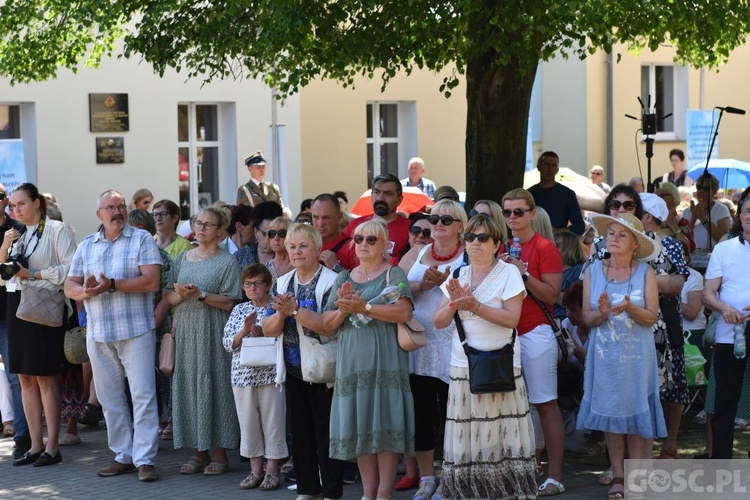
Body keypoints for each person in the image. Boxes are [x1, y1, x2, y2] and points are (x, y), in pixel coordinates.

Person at [433, 215, 536, 499]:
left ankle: (503, 493)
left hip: (499, 363)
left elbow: (512, 319)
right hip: (463, 365)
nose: (474, 243)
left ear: (496, 244)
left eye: (482, 238)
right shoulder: (457, 275)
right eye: (469, 237)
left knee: (499, 435)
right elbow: (439, 321)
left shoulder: (508, 273)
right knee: (467, 437)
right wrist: (455, 303)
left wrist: (476, 306)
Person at [64, 189, 162, 482]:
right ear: (99, 215)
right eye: (110, 207)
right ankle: (123, 455)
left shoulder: (142, 239)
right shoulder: (87, 245)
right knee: (109, 398)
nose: (117, 211)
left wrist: (112, 285)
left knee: (143, 395)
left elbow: (152, 281)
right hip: (99, 332)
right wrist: (86, 291)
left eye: (120, 206)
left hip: (135, 330)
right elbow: (70, 284)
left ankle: (145, 459)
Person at [323, 219, 415, 500]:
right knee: (361, 426)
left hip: (385, 358)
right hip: (353, 361)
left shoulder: (394, 272)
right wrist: (344, 310)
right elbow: (328, 322)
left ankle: (384, 493)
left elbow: (404, 312)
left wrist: (366, 307)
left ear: (384, 245)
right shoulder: (345, 276)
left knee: (384, 426)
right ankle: (368, 493)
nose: (363, 244)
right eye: (359, 239)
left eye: (371, 240)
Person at [578, 213, 665, 500]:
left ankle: (637, 477)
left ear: (634, 244)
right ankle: (618, 475)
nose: (613, 238)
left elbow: (651, 317)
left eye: (621, 235)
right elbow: (587, 318)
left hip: (638, 359)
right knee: (612, 415)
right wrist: (601, 313)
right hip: (604, 358)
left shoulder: (646, 273)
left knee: (637, 413)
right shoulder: (592, 271)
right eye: (611, 233)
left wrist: (629, 308)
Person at [261, 223, 344, 500]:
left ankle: (332, 492)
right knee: (300, 434)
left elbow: (329, 326)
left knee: (326, 434)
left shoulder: (333, 281)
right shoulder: (283, 282)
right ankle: (309, 489)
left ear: (318, 250)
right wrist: (283, 315)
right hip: (294, 370)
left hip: (324, 370)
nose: (296, 252)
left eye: (303, 246)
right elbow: (269, 329)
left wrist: (294, 310)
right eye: (292, 246)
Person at [1, 183, 76, 467]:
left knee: (45, 378)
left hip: (45, 309)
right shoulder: (18, 234)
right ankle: (34, 445)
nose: (15, 209)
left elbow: (70, 268)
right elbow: (5, 274)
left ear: (37, 204)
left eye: (21, 204)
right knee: (24, 378)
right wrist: (6, 245)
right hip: (17, 305)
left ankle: (53, 447)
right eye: (13, 205)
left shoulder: (56, 230)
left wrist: (32, 273)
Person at [397, 200, 467, 499]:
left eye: (447, 219)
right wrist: (422, 286)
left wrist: (445, 285)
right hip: (419, 344)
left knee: (456, 415)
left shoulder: (470, 254)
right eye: (435, 218)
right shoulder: (417, 252)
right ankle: (427, 477)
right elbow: (392, 289)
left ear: (461, 226)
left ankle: (452, 476)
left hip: (454, 345)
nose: (438, 224)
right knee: (420, 414)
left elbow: (479, 294)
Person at [166, 206, 242, 475]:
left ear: (221, 231)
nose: (200, 228)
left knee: (216, 386)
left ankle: (220, 453)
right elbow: (168, 296)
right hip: (187, 329)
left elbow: (232, 301)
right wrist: (180, 295)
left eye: (207, 225)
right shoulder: (184, 259)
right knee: (189, 385)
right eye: (198, 223)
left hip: (213, 329)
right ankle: (199, 451)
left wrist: (200, 295)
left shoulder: (227, 262)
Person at [500, 188, 566, 496]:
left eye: (518, 212)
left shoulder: (544, 248)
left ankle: (554, 475)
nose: (513, 218)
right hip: (506, 334)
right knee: (515, 407)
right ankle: (524, 470)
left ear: (532, 214)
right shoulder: (499, 246)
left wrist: (523, 275)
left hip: (536, 332)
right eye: (507, 212)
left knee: (545, 404)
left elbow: (553, 296)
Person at [223, 264, 287, 490]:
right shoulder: (239, 310)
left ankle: (272, 471)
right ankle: (255, 471)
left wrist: (261, 332)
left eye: (257, 283)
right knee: (248, 423)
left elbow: (283, 334)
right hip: (242, 376)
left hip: (270, 374)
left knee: (273, 423)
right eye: (248, 284)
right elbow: (228, 343)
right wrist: (244, 331)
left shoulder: (275, 307)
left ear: (268, 285)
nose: (252, 288)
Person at [640, 193, 690, 460]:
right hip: (637, 322)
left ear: (647, 217)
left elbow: (677, 284)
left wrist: (638, 280)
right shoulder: (624, 243)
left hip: (666, 323)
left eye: (634, 209)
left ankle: (669, 445)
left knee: (674, 385)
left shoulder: (670, 244)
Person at [701, 195, 750, 459]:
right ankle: (721, 469)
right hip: (730, 335)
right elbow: (707, 293)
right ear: (739, 215)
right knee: (724, 407)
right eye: (747, 210)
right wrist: (724, 308)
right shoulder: (725, 249)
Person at [0, 182, 28, 460]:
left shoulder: (18, 229)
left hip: (9, 313)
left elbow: (6, 272)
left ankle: (22, 436)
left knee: (16, 378)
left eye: (0, 196)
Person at [345, 173, 411, 264]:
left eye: (387, 194)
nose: (380, 198)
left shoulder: (411, 229)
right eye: (376, 192)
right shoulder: (355, 225)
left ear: (399, 200)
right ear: (371, 195)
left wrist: (390, 260)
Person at [527, 151, 585, 235]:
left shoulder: (567, 194)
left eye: (553, 165)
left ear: (557, 170)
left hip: (557, 243)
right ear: (539, 167)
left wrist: (557, 231)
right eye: (546, 164)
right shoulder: (529, 194)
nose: (550, 169)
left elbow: (579, 226)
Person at [681, 172, 731, 250]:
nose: (701, 191)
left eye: (705, 189)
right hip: (694, 255)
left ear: (714, 191)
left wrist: (704, 219)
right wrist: (693, 218)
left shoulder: (721, 210)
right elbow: (682, 238)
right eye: (698, 187)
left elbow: (725, 239)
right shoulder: (687, 211)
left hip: (714, 255)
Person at [311, 193, 358, 271]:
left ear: (339, 217)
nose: (320, 224)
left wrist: (336, 267)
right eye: (315, 217)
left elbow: (361, 282)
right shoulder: (304, 244)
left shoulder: (352, 247)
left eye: (326, 218)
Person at [235, 201, 283, 269]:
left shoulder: (289, 258)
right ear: (256, 232)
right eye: (266, 234)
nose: (274, 239)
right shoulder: (240, 258)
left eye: (279, 233)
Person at [554, 230, 585, 320]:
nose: (552, 248)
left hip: (566, 323)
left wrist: (546, 291)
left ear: (570, 248)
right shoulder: (551, 270)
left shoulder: (579, 270)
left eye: (557, 245)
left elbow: (574, 301)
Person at [656, 182, 694, 253]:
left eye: (673, 206)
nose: (673, 211)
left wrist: (674, 227)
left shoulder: (683, 223)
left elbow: (688, 249)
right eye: (667, 207)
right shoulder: (651, 223)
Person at [264, 216, 295, 283]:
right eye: (272, 233)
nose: (276, 238)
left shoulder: (300, 264)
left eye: (282, 233)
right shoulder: (266, 269)